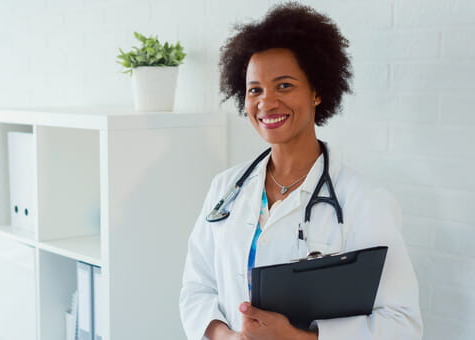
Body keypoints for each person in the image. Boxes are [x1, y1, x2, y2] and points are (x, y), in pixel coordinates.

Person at [179, 3, 422, 340]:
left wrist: (296, 338)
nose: (266, 102)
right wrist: (227, 336)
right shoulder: (225, 189)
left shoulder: (365, 200)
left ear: (317, 91)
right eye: (255, 90)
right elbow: (196, 288)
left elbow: (402, 324)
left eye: (284, 86)